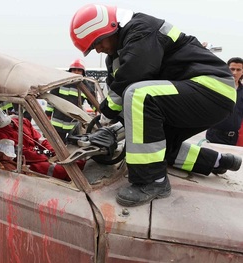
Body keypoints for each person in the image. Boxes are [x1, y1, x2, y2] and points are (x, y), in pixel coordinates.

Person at [69, 4, 242, 206]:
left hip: (212, 88)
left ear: (111, 28)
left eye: (97, 42)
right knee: (154, 146)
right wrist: (114, 127)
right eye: (92, 48)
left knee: (140, 94)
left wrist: (105, 118)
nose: (98, 49)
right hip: (198, 96)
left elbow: (134, 75)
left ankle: (150, 181)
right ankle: (220, 161)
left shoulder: (142, 29)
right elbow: (122, 101)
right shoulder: (116, 56)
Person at [0, 104, 86, 181]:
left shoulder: (21, 121)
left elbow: (40, 139)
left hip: (45, 155)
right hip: (31, 165)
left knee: (79, 160)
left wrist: (55, 152)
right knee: (68, 170)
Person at [45, 59, 96, 142]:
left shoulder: (85, 86)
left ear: (83, 72)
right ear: (70, 71)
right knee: (56, 145)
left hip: (73, 123)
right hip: (58, 121)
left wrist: (99, 114)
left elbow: (93, 101)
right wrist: (48, 113)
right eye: (74, 70)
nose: (76, 72)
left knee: (73, 146)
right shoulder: (61, 82)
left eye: (79, 70)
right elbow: (52, 99)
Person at [206, 57, 243, 145]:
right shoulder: (217, 87)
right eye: (232, 69)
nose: (235, 73)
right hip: (215, 135)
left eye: (238, 70)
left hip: (233, 137)